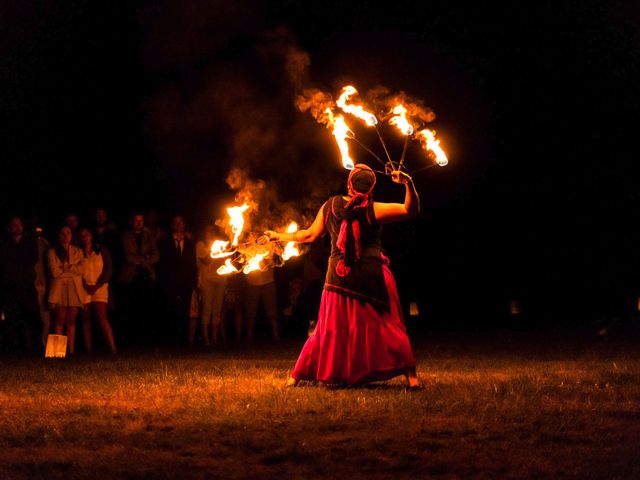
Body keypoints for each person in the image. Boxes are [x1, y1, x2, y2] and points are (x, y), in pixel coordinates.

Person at [265, 164, 423, 389]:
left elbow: (309, 235)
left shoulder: (331, 205)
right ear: (371, 189)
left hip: (339, 277)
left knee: (328, 329)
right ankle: (413, 379)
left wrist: (278, 235)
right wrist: (408, 183)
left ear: (349, 184)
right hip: (373, 274)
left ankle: (295, 378)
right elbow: (410, 209)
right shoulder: (374, 208)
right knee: (388, 325)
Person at [118, 212, 160, 346]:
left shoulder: (148, 235)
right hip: (130, 277)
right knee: (131, 309)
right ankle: (130, 341)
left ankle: (145, 340)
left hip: (146, 276)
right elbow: (128, 256)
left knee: (146, 308)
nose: (139, 223)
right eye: (136, 221)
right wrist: (146, 259)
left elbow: (156, 255)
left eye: (141, 221)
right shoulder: (126, 235)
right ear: (131, 222)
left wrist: (142, 261)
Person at [0, 216, 41, 355]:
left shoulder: (30, 242)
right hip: (10, 286)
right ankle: (14, 349)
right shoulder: (4, 243)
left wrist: (19, 269)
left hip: (27, 285)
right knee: (12, 319)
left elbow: (32, 259)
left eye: (19, 224)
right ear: (8, 227)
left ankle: (36, 348)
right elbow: (4, 263)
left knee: (33, 317)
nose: (17, 226)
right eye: (14, 224)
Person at [157, 214, 197, 345]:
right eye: (176, 223)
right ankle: (171, 339)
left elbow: (192, 262)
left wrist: (193, 280)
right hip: (171, 281)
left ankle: (184, 340)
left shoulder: (190, 242)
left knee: (185, 310)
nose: (178, 225)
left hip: (186, 281)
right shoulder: (164, 242)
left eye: (181, 223)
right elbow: (162, 262)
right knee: (171, 308)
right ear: (172, 225)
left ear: (184, 225)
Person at [47, 225, 85, 355]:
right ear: (58, 235)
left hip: (74, 289)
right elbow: (54, 272)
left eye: (68, 233)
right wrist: (71, 268)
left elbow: (81, 269)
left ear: (71, 235)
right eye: (62, 233)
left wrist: (64, 268)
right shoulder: (52, 251)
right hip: (59, 289)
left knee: (71, 322)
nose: (65, 236)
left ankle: (71, 351)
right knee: (59, 320)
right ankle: (57, 353)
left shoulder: (78, 251)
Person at [79, 227, 117, 353]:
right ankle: (88, 349)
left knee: (102, 317)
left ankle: (112, 348)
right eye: (82, 235)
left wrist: (97, 285)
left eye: (87, 234)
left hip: (99, 286)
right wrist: (84, 284)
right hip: (84, 287)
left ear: (91, 235)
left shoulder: (102, 250)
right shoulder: (78, 252)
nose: (85, 237)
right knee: (85, 318)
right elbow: (77, 271)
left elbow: (108, 269)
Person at [195, 224, 228, 345]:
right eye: (208, 230)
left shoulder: (221, 244)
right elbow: (206, 261)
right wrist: (213, 250)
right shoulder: (201, 245)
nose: (210, 232)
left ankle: (214, 339)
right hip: (207, 279)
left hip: (220, 279)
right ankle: (206, 339)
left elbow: (226, 261)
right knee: (207, 308)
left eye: (212, 230)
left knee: (217, 310)